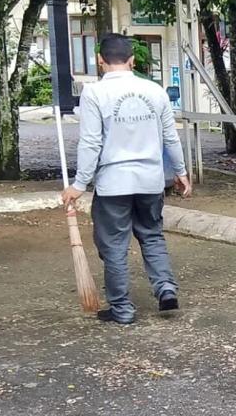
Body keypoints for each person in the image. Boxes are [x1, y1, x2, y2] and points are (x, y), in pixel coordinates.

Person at [60, 33, 192, 325]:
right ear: (132, 60)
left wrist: (79, 184)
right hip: (150, 181)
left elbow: (90, 142)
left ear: (100, 60)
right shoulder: (154, 91)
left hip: (113, 184)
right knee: (152, 235)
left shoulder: (94, 93)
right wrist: (180, 172)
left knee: (114, 246)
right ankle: (165, 288)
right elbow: (171, 137)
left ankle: (122, 309)